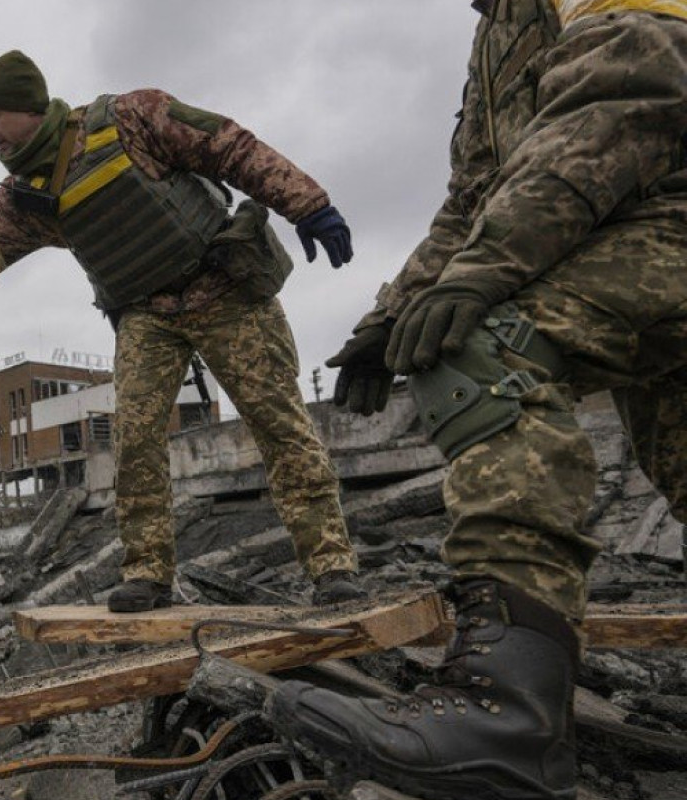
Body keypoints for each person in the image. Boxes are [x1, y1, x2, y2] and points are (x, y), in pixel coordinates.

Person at [270, 3, 687, 798]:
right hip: (634, 240)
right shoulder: (498, 28)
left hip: (665, 220)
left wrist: (477, 276)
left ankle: (506, 719)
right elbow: (476, 197)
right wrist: (388, 315)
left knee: (480, 345)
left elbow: (638, 79)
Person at [0, 50, 365, 612]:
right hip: (147, 316)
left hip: (223, 289)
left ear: (28, 107)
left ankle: (331, 568)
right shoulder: (23, 199)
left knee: (279, 425)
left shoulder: (131, 117)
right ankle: (149, 573)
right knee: (135, 440)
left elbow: (229, 144)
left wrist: (308, 203)